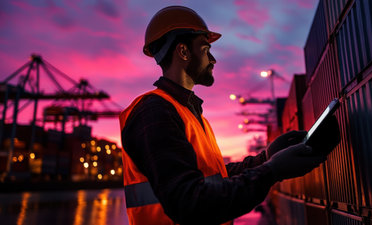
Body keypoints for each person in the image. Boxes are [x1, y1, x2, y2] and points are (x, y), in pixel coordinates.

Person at [120, 6, 328, 225]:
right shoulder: (153, 112)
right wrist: (272, 171)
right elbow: (189, 202)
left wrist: (265, 158)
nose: (213, 59)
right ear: (183, 52)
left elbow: (215, 176)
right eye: (205, 49)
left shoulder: (189, 115)